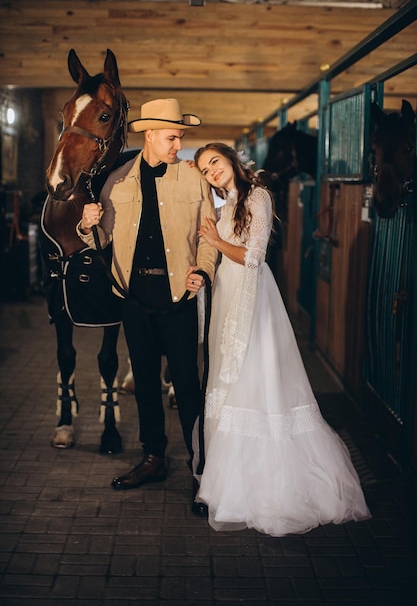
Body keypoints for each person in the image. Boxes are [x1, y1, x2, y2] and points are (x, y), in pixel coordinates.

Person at [193, 142, 371, 536]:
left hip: (253, 297)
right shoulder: (223, 206)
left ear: (232, 161)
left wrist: (216, 240)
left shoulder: (259, 196)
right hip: (226, 293)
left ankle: (267, 482)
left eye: (215, 163)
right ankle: (229, 478)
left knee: (255, 378)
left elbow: (254, 256)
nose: (212, 173)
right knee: (229, 376)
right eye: (205, 170)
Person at [77, 99, 218, 517]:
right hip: (133, 299)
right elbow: (101, 242)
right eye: (173, 136)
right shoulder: (117, 184)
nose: (179, 144)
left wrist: (205, 272)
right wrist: (87, 225)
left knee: (188, 386)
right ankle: (154, 457)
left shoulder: (194, 181)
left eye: (180, 136)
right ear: (150, 135)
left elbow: (208, 236)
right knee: (144, 384)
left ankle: (201, 468)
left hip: (178, 297)